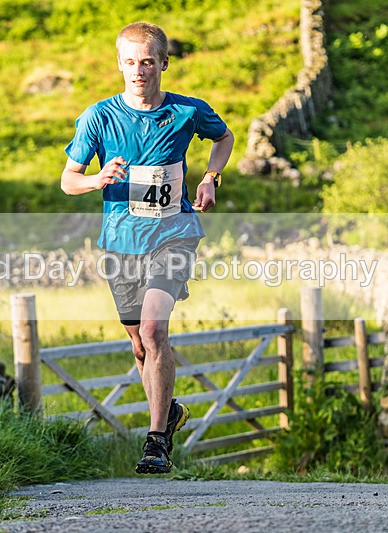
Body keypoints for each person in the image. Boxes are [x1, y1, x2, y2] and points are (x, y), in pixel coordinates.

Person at [61, 21, 234, 474]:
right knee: (140, 345)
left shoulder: (187, 112)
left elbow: (224, 137)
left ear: (163, 64)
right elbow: (68, 180)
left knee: (156, 330)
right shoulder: (98, 116)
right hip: (121, 242)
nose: (139, 71)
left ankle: (156, 442)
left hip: (174, 233)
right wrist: (96, 179)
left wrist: (210, 178)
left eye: (148, 62)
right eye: (130, 62)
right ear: (120, 64)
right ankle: (169, 411)